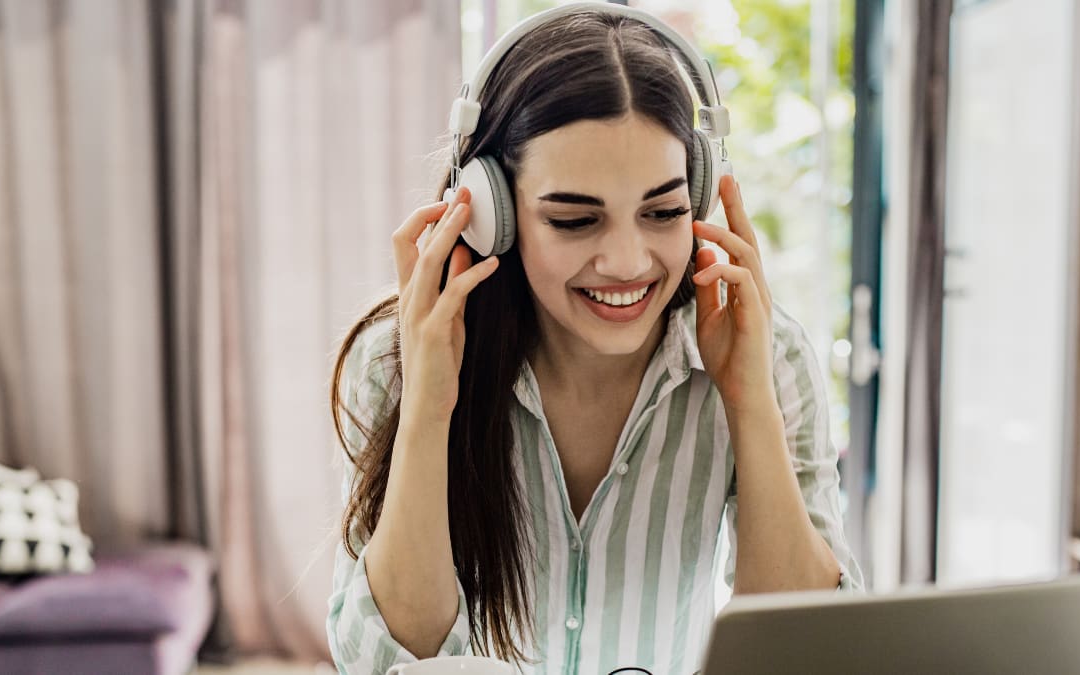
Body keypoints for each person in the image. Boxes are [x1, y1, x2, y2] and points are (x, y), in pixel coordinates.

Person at [325, 5, 864, 674]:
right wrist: (429, 406)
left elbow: (807, 648)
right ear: (489, 213)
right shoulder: (400, 359)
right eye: (576, 219)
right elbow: (384, 659)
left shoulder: (768, 354)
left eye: (663, 211)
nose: (629, 262)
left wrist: (748, 396)